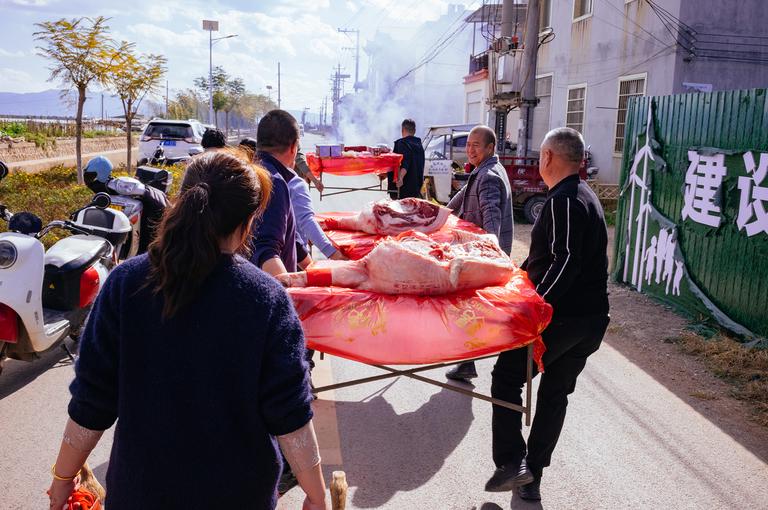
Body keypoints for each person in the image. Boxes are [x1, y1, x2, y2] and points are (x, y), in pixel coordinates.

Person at [48, 149, 328, 510]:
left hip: (140, 494)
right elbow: (290, 417)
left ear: (182, 202)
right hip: (239, 496)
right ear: (246, 224)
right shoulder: (267, 299)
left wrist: (62, 481)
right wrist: (317, 496)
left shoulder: (124, 285)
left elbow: (91, 403)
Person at [485, 127, 609, 502]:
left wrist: (535, 312)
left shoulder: (565, 200)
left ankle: (511, 461)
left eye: (540, 155)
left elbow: (565, 261)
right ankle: (532, 477)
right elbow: (548, 257)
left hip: (563, 320)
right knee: (554, 394)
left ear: (549, 158)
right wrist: (518, 278)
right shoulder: (583, 196)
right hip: (588, 322)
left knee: (506, 378)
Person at [444, 125, 513, 382]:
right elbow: (460, 199)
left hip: (481, 257)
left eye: (476, 145)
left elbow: (491, 216)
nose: (469, 149)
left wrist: (488, 250)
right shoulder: (485, 171)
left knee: (470, 308)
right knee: (470, 308)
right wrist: (433, 215)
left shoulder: (489, 176)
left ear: (490, 148)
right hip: (479, 254)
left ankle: (471, 360)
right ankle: (466, 362)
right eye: (468, 144)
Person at [83, 155, 169, 254]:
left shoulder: (121, 185)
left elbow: (152, 195)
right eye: (87, 177)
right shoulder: (103, 195)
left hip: (146, 232)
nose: (89, 181)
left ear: (101, 173)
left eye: (91, 177)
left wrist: (166, 210)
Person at [249, 111, 301, 275]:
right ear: (293, 147)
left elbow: (284, 236)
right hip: (267, 292)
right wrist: (286, 297)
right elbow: (266, 251)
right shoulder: (274, 182)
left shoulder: (251, 171)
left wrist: (314, 268)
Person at [388, 118, 425, 199]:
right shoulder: (419, 145)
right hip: (416, 189)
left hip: (403, 190)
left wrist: (400, 178)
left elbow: (405, 163)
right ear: (414, 131)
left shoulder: (402, 143)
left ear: (402, 130)